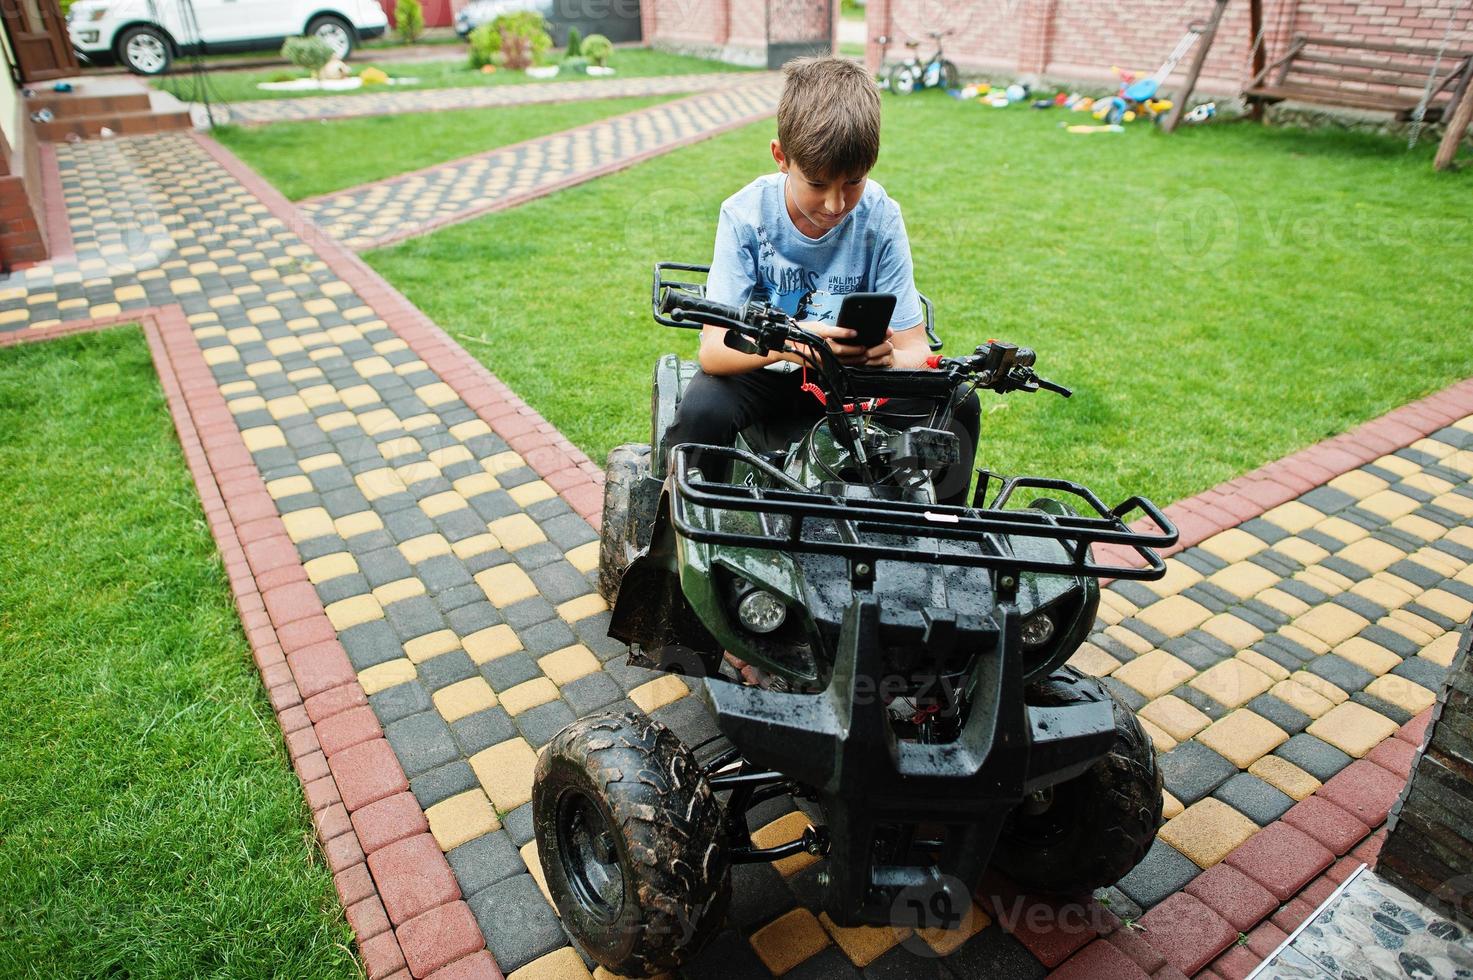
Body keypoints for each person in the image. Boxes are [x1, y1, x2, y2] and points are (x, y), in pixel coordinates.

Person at [665, 56, 981, 504]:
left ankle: (940, 534)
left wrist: (888, 360)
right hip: (766, 369)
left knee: (959, 402)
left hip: (852, 380)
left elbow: (916, 349)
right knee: (700, 412)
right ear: (781, 157)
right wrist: (800, 344)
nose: (835, 204)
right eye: (816, 183)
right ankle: (688, 539)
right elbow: (714, 352)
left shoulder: (881, 217)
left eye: (853, 182)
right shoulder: (744, 214)